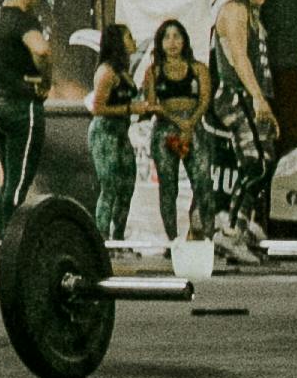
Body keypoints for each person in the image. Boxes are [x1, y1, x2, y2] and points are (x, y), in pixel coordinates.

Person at [202, 0, 278, 267]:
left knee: (265, 160)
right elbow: (238, 57)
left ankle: (242, 223)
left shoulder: (252, 15)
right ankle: (229, 230)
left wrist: (264, 101)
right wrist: (257, 98)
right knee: (255, 164)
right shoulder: (234, 12)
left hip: (253, 95)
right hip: (237, 95)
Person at [0, 0, 53, 236]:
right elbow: (42, 50)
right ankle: (11, 242)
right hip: (24, 107)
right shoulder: (22, 20)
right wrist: (45, 81)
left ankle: (0, 238)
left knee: (8, 180)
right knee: (19, 182)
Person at [139, 15, 207, 243]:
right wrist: (177, 121)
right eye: (167, 37)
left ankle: (196, 233)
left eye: (177, 36)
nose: (172, 42)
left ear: (185, 40)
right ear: (160, 43)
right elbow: (152, 105)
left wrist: (190, 122)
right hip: (165, 130)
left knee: (202, 181)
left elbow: (205, 99)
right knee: (168, 187)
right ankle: (172, 240)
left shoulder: (198, 69)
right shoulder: (154, 71)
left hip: (193, 126)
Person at [82, 23, 140, 243]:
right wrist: (130, 109)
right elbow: (97, 107)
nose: (133, 41)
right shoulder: (106, 71)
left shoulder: (123, 70)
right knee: (109, 187)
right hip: (105, 132)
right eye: (129, 37)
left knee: (127, 184)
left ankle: (119, 237)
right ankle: (101, 238)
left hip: (121, 132)